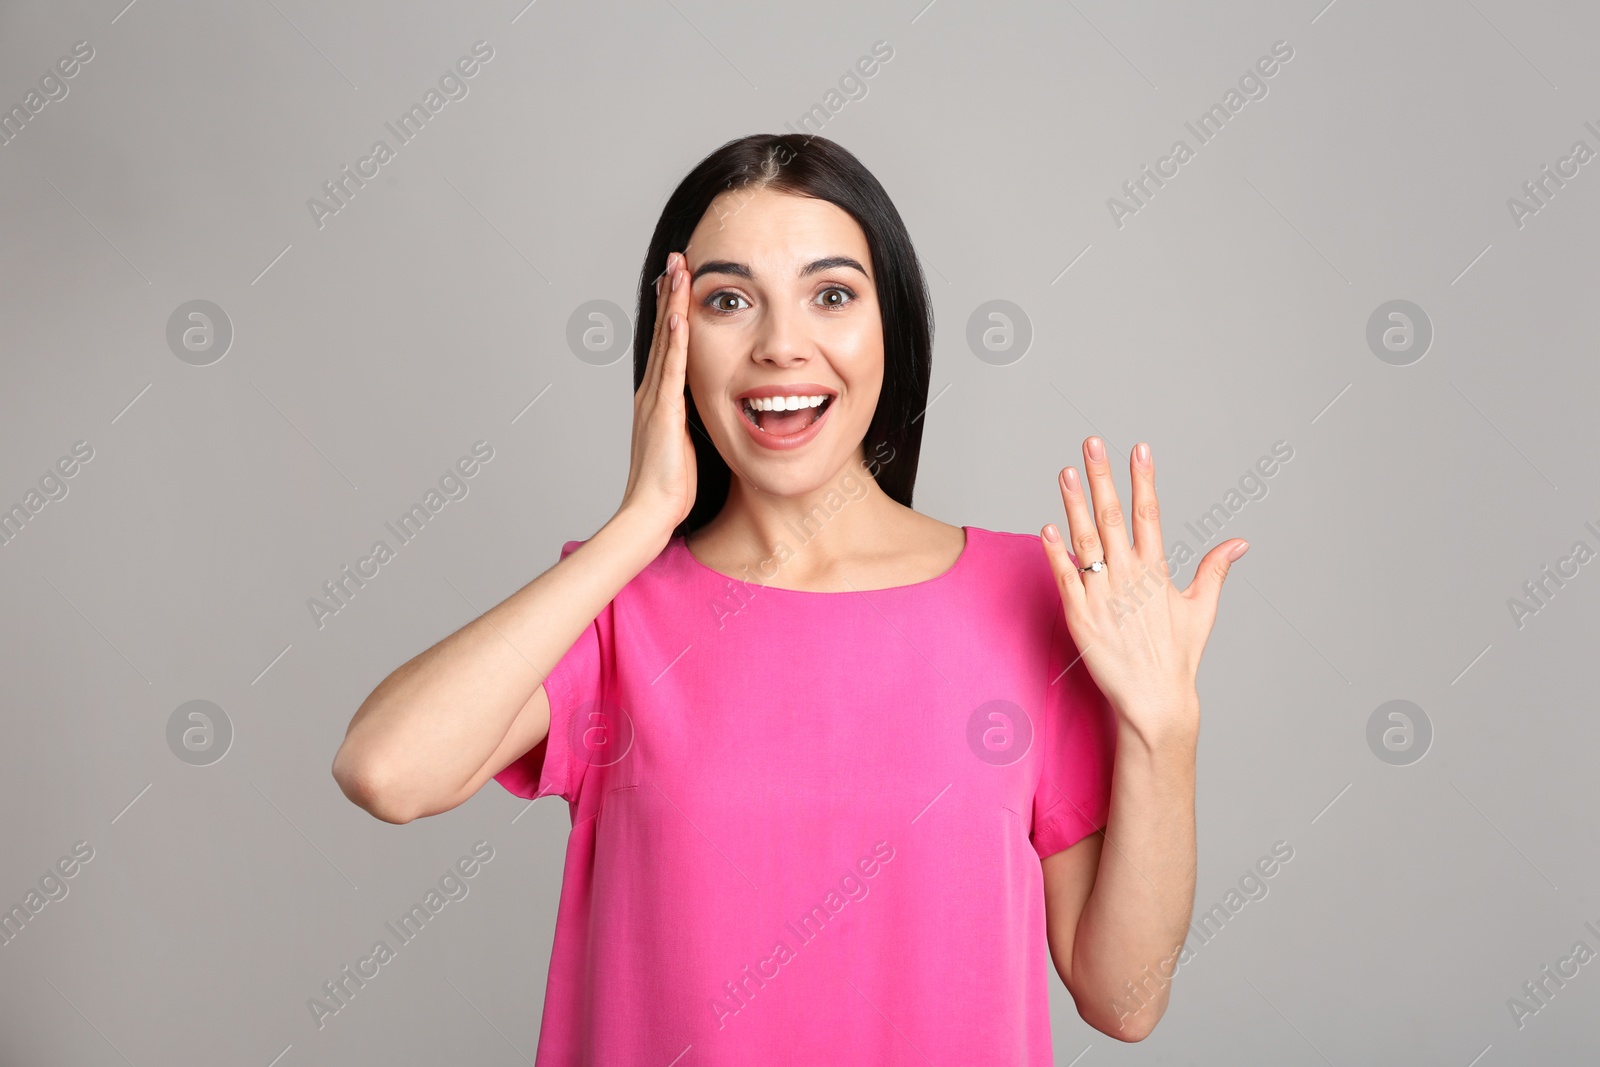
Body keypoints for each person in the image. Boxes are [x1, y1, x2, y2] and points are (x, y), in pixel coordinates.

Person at [331, 133, 1248, 1063]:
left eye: (832, 294)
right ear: (672, 347)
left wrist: (1165, 731)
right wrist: (638, 524)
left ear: (891, 324)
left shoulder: (1029, 600)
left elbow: (1123, 996)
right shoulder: (614, 611)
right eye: (729, 301)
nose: (780, 345)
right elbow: (386, 770)